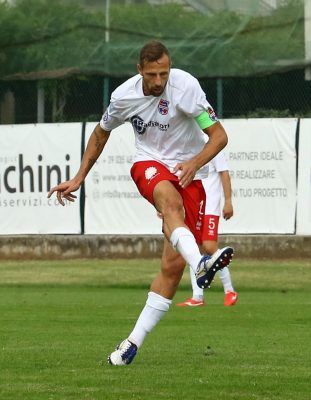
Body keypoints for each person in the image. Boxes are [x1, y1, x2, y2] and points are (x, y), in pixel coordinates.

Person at [47, 40, 234, 366]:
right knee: (169, 203)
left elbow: (218, 136)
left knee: (171, 269)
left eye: (164, 72)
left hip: (190, 175)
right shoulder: (124, 96)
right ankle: (201, 264)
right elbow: (101, 133)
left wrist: (194, 162)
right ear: (139, 70)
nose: (159, 81)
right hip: (149, 165)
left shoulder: (186, 87)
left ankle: (131, 344)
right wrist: (79, 177)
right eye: (152, 74)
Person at [176, 150, 238, 307]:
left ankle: (230, 290)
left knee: (210, 246)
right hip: (194, 203)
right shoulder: (189, 142)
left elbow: (224, 173)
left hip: (210, 204)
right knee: (193, 247)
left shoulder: (212, 143)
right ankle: (197, 297)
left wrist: (228, 201)